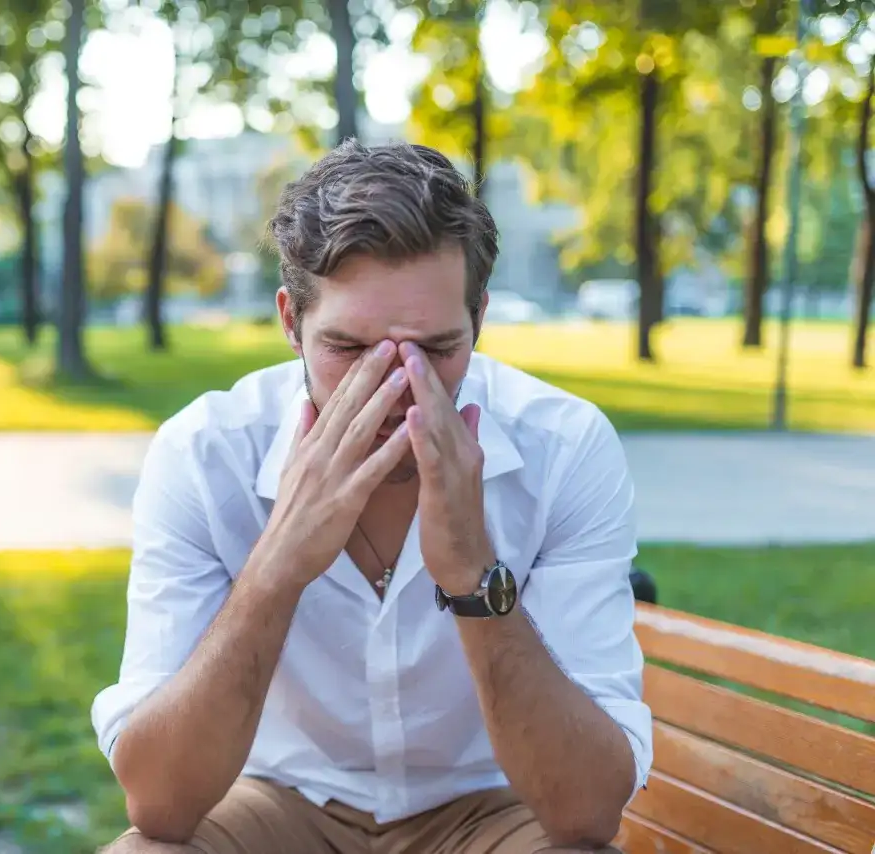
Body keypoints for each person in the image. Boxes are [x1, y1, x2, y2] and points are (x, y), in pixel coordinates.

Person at [90, 140, 651, 854]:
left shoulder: (564, 446)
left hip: (487, 811)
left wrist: (475, 578)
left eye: (437, 348)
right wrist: (278, 564)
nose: (396, 388)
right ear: (290, 320)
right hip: (281, 803)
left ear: (479, 315)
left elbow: (586, 815)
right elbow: (160, 804)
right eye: (351, 350)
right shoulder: (206, 453)